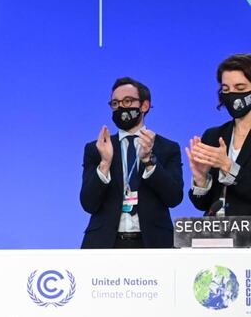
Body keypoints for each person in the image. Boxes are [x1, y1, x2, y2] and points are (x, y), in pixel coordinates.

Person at [80, 78, 183, 248]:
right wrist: (105, 163)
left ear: (144, 106)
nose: (120, 107)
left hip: (154, 244)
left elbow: (174, 198)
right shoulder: (97, 148)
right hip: (104, 244)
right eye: (115, 103)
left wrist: (149, 162)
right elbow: (88, 203)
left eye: (127, 101)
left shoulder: (167, 148)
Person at [188, 54, 251, 216]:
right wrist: (201, 179)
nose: (232, 95)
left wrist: (229, 168)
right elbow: (201, 204)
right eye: (226, 89)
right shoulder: (213, 135)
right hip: (215, 236)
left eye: (240, 88)